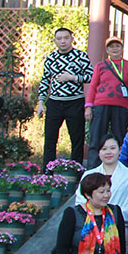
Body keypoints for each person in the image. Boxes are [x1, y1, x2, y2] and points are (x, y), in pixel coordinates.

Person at [37, 28, 93, 168]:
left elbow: (91, 76)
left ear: (72, 39)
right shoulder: (50, 58)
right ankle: (47, 172)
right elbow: (45, 80)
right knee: (50, 139)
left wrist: (73, 78)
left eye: (66, 38)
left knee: (77, 139)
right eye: (59, 38)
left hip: (75, 102)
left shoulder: (81, 56)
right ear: (55, 40)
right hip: (54, 102)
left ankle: (76, 171)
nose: (63, 41)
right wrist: (41, 102)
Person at [84, 36, 128, 168]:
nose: (114, 49)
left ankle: (119, 168)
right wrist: (88, 106)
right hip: (100, 104)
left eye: (117, 46)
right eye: (111, 46)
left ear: (122, 48)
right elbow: (93, 86)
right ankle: (93, 169)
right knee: (96, 137)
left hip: (122, 105)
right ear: (107, 50)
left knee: (119, 137)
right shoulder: (100, 66)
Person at [74, 135, 128, 223]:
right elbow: (80, 200)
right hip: (91, 225)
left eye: (112, 148)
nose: (108, 152)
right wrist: (97, 216)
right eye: (104, 149)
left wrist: (112, 217)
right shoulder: (88, 175)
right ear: (99, 152)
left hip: (119, 224)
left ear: (120, 150)